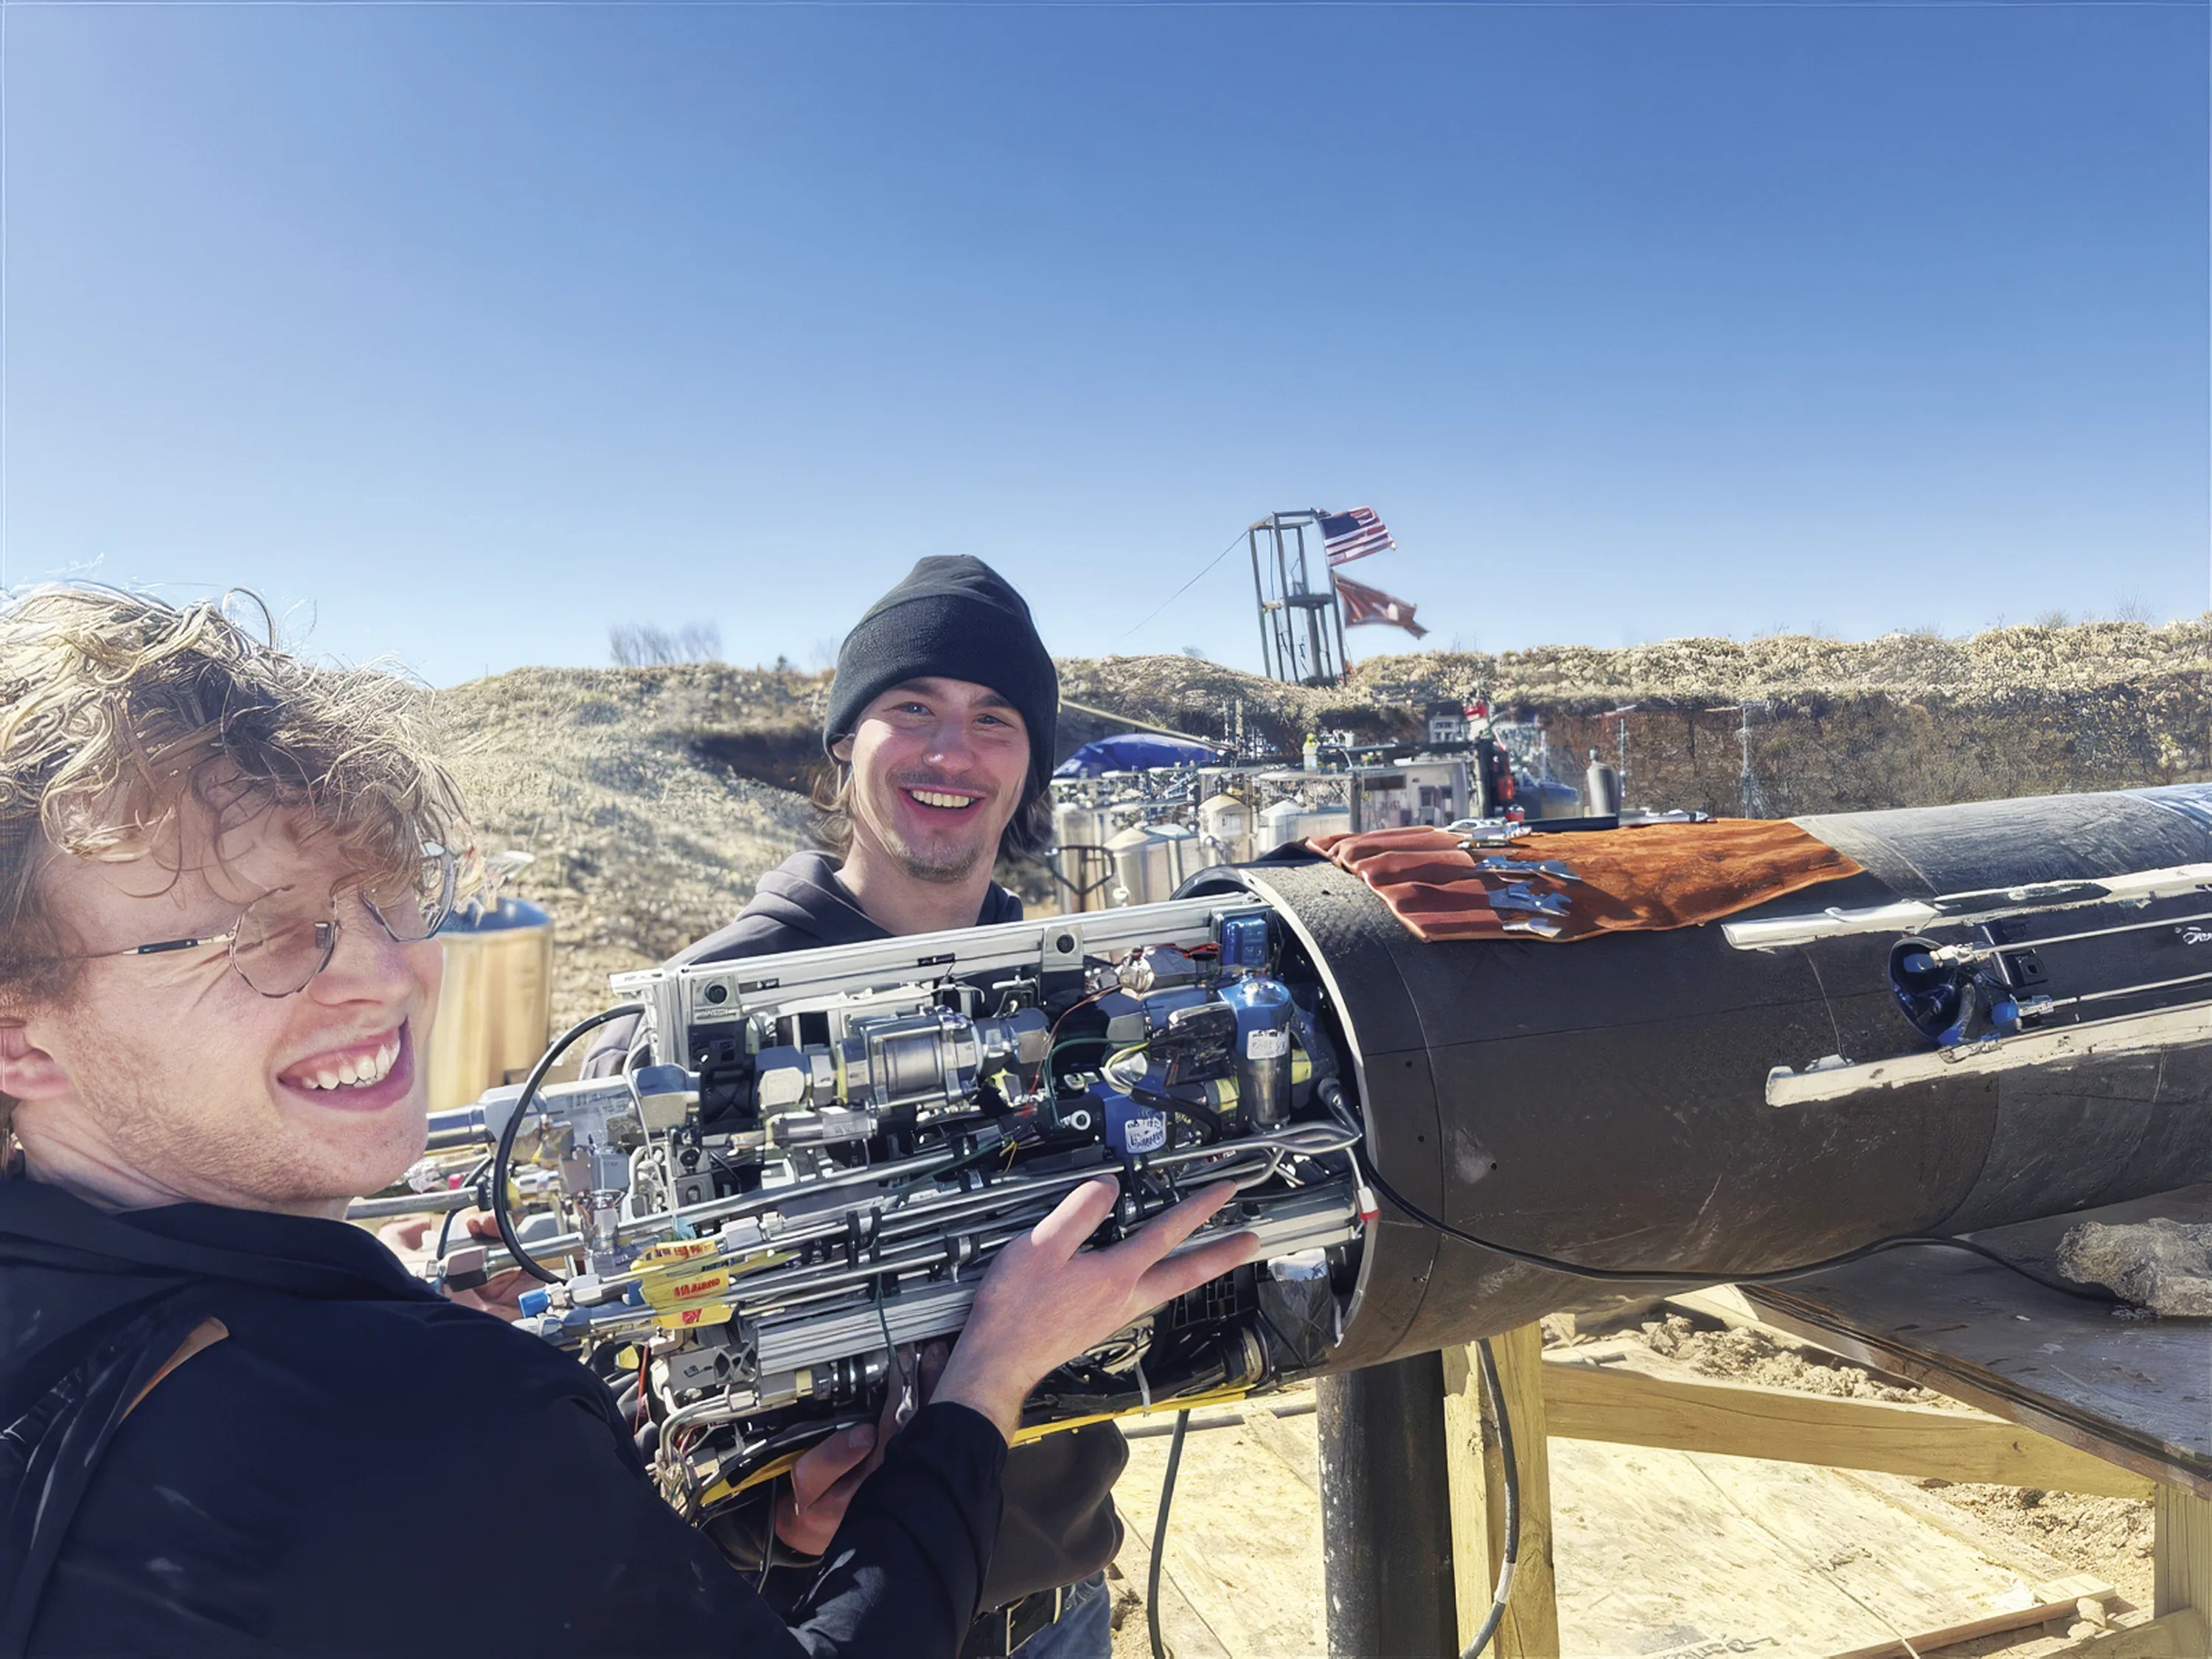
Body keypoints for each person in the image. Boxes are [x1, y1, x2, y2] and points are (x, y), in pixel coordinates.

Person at [0, 585, 1258, 1658]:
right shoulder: (686, 1028)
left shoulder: (1086, 979)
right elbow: (633, 1395)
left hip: (1034, 1582)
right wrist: (966, 1388)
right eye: (262, 933)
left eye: (386, 897)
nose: (380, 974)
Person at [583, 556, 1127, 1659]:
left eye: (994, 719)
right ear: (845, 740)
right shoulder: (692, 1026)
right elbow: (627, 1367)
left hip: (1059, 1615)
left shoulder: (1074, 996)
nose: (949, 752)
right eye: (911, 707)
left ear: (1029, 765)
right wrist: (769, 1525)